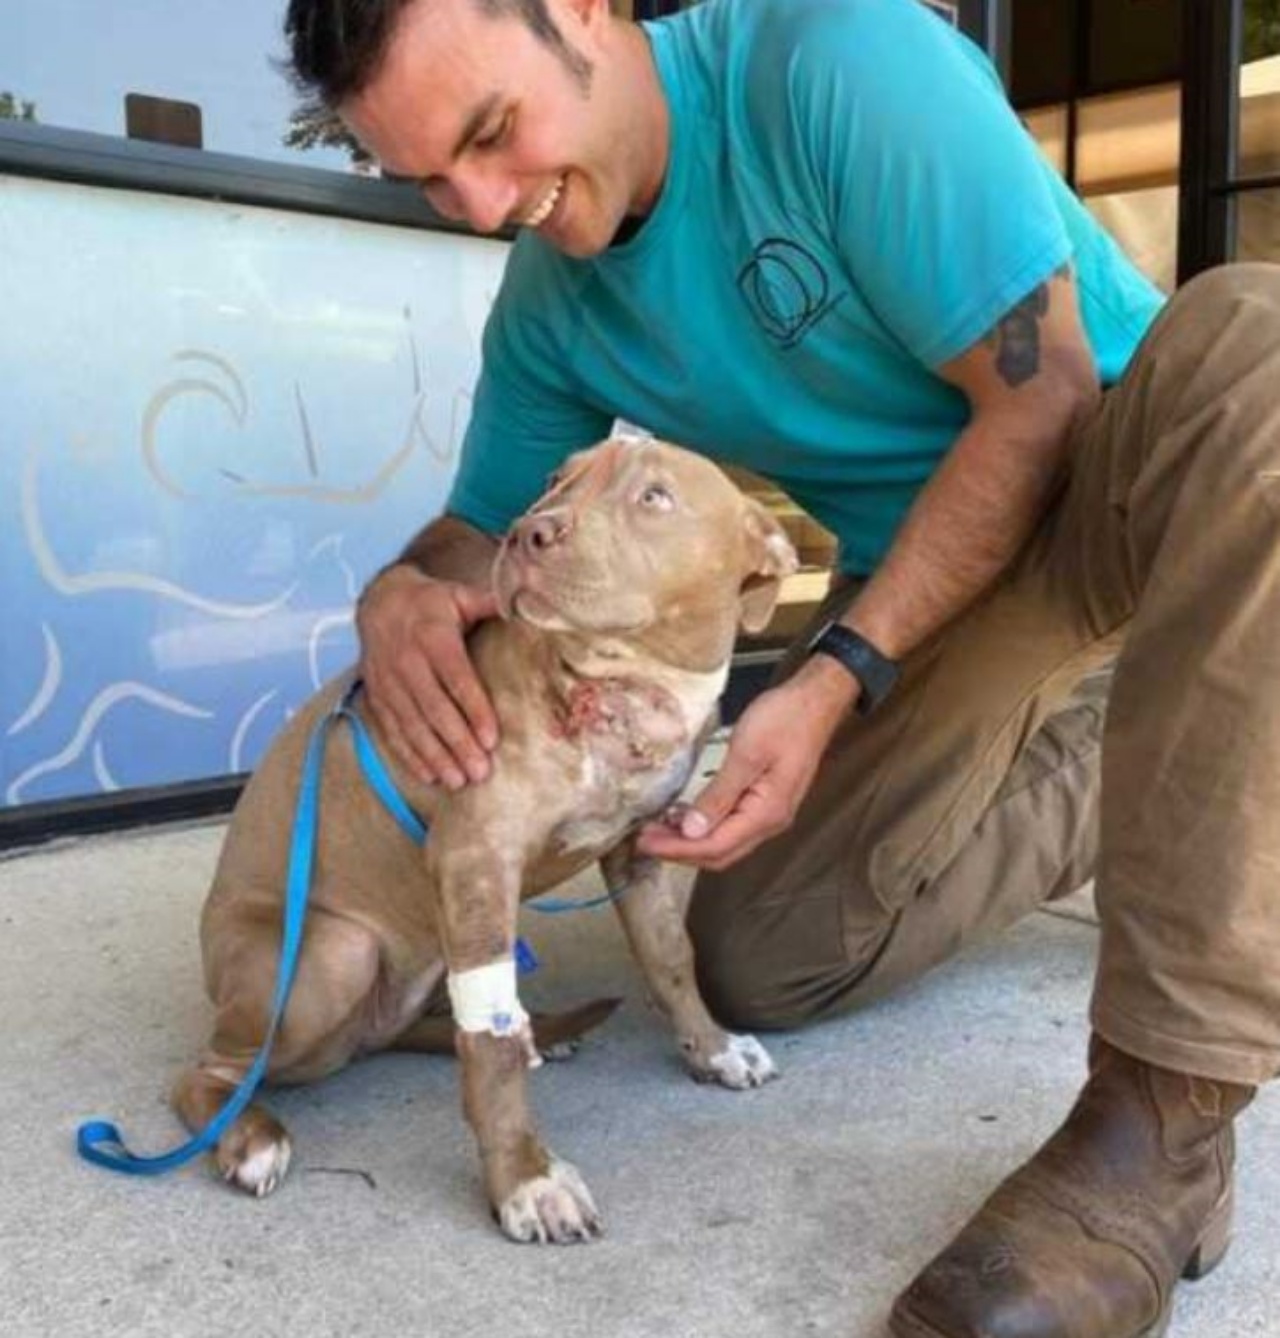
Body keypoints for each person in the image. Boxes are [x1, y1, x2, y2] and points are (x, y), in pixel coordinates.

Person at [283, 0, 1280, 1333]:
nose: (477, 203)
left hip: (1130, 487)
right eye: (430, 181)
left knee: (1253, 347)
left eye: (491, 132)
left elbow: (1044, 402)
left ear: (585, 10)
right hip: (948, 586)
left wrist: (827, 679)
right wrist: (399, 592)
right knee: (755, 949)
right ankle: (1124, 770)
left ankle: (1163, 1128)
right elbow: (480, 531)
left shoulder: (833, 62)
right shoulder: (551, 303)